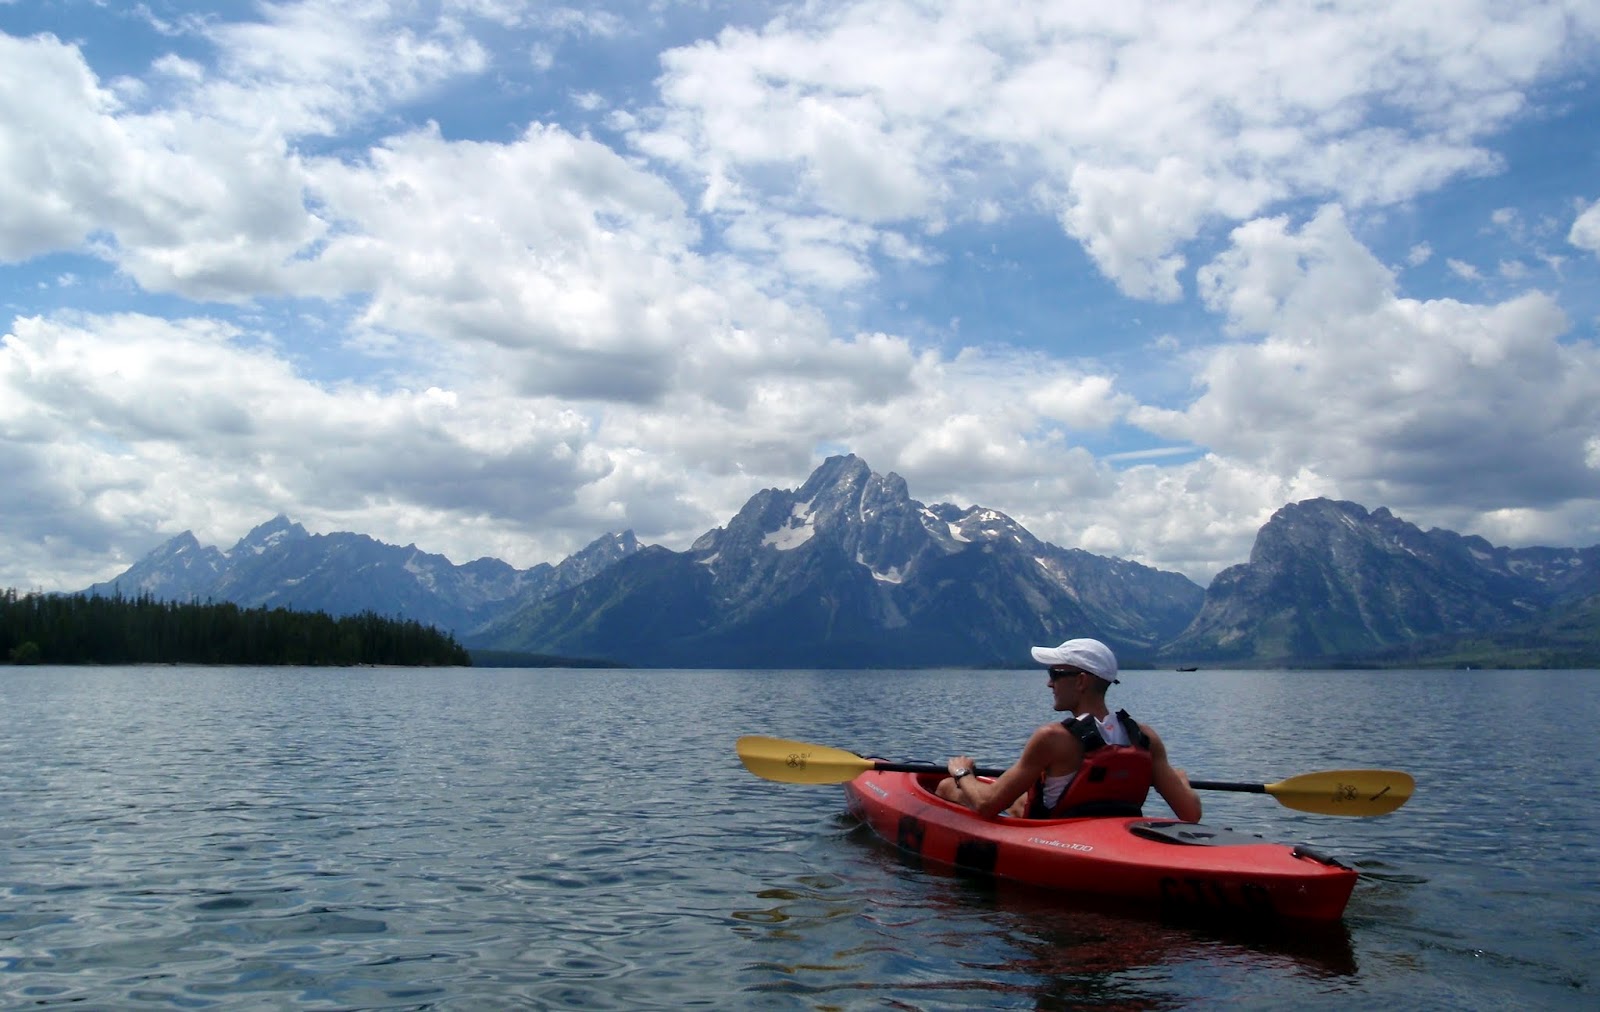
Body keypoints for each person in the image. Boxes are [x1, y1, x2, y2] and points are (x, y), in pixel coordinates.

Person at [935, 638, 1202, 822]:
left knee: (948, 786)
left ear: (1081, 681)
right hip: (1110, 834)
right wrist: (1180, 783)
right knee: (1020, 800)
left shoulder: (1052, 738)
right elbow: (1191, 813)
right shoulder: (1145, 738)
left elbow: (986, 805)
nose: (1049, 684)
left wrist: (962, 772)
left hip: (1057, 837)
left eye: (1055, 674)